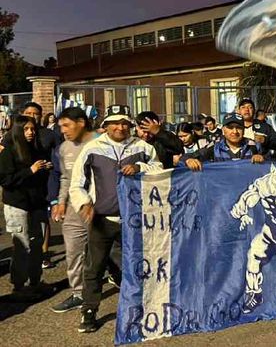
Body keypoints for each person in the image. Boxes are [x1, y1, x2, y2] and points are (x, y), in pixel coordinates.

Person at [70, 104, 162, 333]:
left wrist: (140, 166)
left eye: (124, 123)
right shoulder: (92, 148)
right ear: (106, 126)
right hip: (102, 218)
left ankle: (143, 308)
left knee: (138, 265)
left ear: (130, 125)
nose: (120, 127)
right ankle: (89, 311)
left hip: (135, 220)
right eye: (115, 123)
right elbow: (76, 183)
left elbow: (159, 170)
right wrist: (84, 203)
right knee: (94, 268)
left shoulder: (143, 147)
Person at [50, 107, 101, 312]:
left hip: (100, 207)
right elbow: (65, 177)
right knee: (73, 251)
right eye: (60, 126)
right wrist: (61, 202)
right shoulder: (64, 148)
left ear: (81, 122)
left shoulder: (101, 143)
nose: (63, 130)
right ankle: (78, 293)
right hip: (74, 207)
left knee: (107, 251)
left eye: (66, 125)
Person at [0, 115, 53, 300]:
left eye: (33, 129)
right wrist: (30, 171)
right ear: (18, 131)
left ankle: (35, 281)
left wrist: (46, 167)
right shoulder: (9, 152)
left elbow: (43, 176)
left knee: (37, 244)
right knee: (22, 245)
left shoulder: (37, 150)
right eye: (26, 129)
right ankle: (19, 285)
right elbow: (6, 180)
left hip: (36, 204)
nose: (30, 133)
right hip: (17, 204)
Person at [183, 113, 265, 171]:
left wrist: (262, 159)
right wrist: (189, 160)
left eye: (239, 127)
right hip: (223, 191)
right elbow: (185, 157)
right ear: (223, 130)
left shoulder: (254, 146)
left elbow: (272, 165)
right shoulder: (214, 147)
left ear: (244, 130)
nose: (235, 131)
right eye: (230, 127)